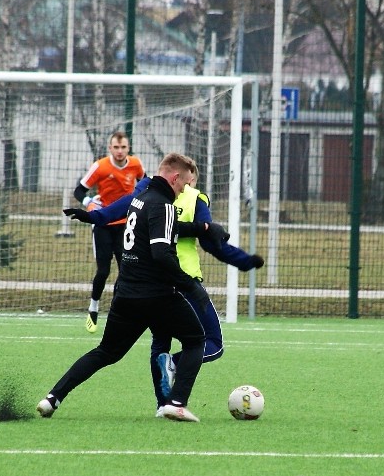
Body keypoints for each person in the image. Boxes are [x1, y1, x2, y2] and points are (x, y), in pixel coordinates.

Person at [64, 170, 264, 416]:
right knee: (211, 343)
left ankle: (164, 404)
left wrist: (91, 217)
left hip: (146, 284)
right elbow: (213, 243)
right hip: (183, 280)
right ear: (186, 179)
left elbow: (115, 210)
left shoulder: (143, 194)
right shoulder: (195, 198)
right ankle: (174, 379)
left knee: (160, 344)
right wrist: (244, 260)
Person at [38, 153, 209, 422]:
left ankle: (52, 398)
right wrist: (191, 286)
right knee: (196, 340)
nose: (185, 189)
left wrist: (93, 217)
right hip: (158, 296)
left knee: (106, 352)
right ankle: (175, 403)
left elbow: (119, 216)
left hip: (126, 294)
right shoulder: (163, 205)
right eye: (185, 184)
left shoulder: (139, 199)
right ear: (175, 178)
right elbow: (161, 254)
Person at [74, 131, 145, 333]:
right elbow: (78, 191)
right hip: (104, 225)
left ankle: (117, 311)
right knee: (103, 271)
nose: (120, 151)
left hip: (126, 225)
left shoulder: (136, 165)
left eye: (123, 147)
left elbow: (145, 184)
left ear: (128, 148)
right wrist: (89, 203)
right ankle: (93, 307)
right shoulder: (100, 166)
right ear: (110, 148)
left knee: (126, 271)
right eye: (116, 147)